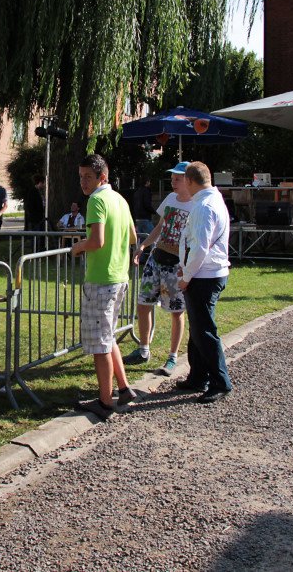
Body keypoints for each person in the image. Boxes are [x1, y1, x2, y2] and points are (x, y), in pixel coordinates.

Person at [71, 154, 138, 419]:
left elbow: (96, 241)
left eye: (88, 177)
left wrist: (77, 247)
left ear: (102, 177)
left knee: (100, 344)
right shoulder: (119, 199)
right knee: (108, 336)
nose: (83, 182)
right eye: (81, 176)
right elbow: (132, 235)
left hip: (101, 280)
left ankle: (104, 401)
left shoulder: (97, 200)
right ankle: (123, 388)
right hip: (119, 277)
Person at [125, 161, 194, 374]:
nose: (173, 182)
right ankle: (143, 349)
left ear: (188, 180)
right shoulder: (171, 199)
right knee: (143, 303)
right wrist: (144, 245)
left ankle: (172, 357)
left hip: (176, 265)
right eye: (172, 178)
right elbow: (160, 226)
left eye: (178, 178)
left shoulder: (196, 204)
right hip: (156, 259)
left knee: (176, 311)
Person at [177, 161, 233, 403]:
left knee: (205, 331)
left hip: (204, 275)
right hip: (209, 273)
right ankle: (198, 376)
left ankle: (220, 381)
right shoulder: (213, 200)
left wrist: (186, 277)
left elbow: (199, 248)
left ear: (190, 181)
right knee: (198, 329)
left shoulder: (204, 207)